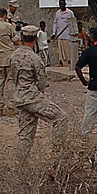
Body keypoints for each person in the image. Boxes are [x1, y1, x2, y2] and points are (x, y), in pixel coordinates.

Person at [11, 24, 64, 162]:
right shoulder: (35, 58)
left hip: (19, 96)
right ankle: (57, 157)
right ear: (36, 38)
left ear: (22, 37)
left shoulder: (14, 56)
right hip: (32, 96)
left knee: (25, 135)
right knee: (61, 118)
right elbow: (41, 81)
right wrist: (39, 95)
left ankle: (20, 166)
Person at [52, 0, 76, 67]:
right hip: (59, 35)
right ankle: (61, 62)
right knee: (60, 49)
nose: (61, 5)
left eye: (62, 4)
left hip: (67, 34)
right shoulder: (57, 13)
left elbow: (73, 22)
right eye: (60, 4)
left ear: (65, 4)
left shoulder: (70, 12)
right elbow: (55, 23)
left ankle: (69, 62)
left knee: (68, 48)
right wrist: (54, 33)